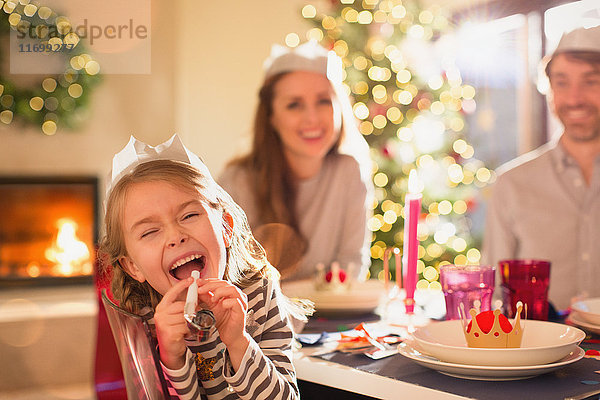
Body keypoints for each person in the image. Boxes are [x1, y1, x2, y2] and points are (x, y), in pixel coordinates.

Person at [99, 135, 302, 399]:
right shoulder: (142, 319)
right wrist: (172, 358)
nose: (175, 236)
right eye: (150, 232)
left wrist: (239, 343)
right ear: (132, 266)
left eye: (190, 215)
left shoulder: (260, 292)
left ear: (226, 227)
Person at [219, 41, 373, 281]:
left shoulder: (349, 172)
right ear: (271, 117)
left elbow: (352, 265)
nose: (312, 118)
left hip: (331, 315)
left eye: (323, 101)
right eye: (294, 105)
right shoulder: (238, 181)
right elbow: (232, 277)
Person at [483, 25, 600, 311]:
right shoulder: (511, 183)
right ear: (548, 90)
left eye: (591, 81)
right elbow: (494, 297)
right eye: (561, 82)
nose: (574, 98)